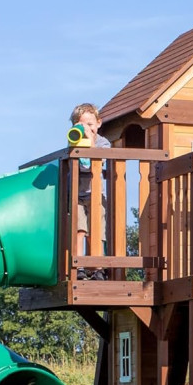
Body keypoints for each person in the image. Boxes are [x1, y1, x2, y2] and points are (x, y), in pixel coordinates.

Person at [69, 102, 111, 280]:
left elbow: (98, 160)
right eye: (81, 124)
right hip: (77, 195)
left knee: (96, 232)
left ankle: (97, 268)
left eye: (90, 124)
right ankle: (78, 267)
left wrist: (91, 141)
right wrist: (77, 140)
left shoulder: (102, 142)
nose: (86, 128)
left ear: (98, 123)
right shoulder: (74, 140)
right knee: (79, 230)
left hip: (96, 194)